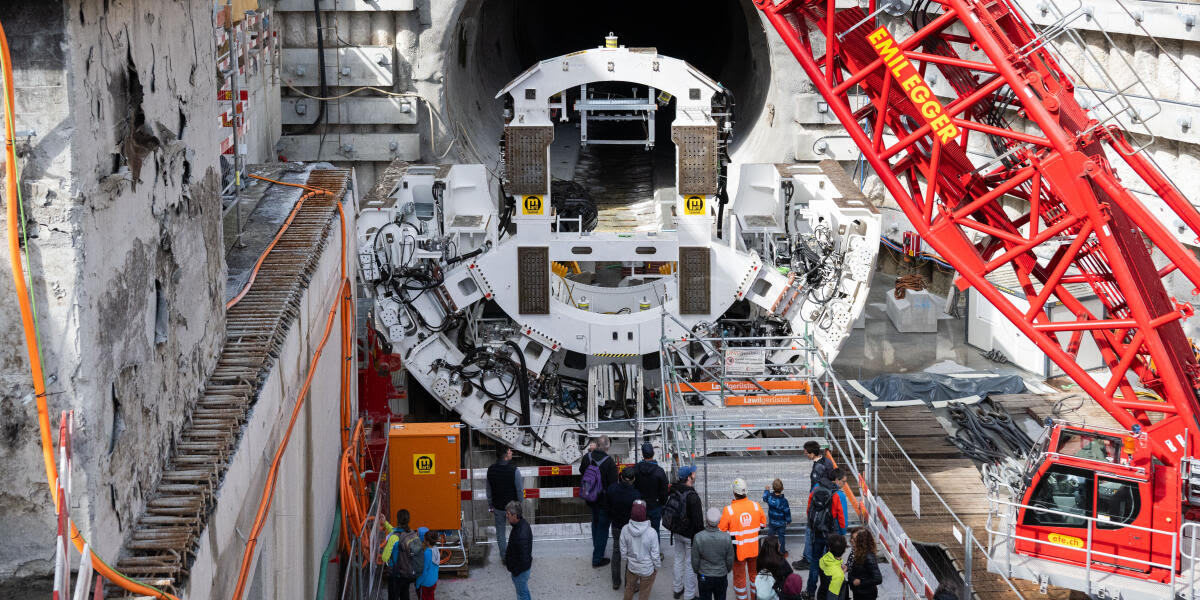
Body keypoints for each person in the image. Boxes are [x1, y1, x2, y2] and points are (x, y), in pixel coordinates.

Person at [719, 478, 767, 600]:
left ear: (734, 493)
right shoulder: (756, 506)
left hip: (738, 552)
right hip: (754, 550)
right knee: (754, 576)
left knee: (739, 579)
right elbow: (762, 524)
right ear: (746, 492)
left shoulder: (728, 510)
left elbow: (721, 530)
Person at [805, 470, 848, 597]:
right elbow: (841, 517)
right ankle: (825, 589)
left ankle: (810, 591)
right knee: (829, 563)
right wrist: (842, 534)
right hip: (831, 535)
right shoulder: (837, 495)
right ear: (836, 480)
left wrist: (814, 525)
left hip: (817, 532)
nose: (844, 484)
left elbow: (809, 509)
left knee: (814, 561)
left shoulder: (816, 488)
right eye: (843, 482)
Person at [793, 442, 833, 571]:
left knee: (810, 531)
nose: (805, 455)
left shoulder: (818, 469)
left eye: (806, 453)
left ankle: (808, 559)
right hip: (827, 504)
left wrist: (812, 507)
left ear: (812, 453)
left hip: (818, 505)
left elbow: (816, 491)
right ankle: (822, 557)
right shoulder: (827, 461)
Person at [668, 465, 705, 600]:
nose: (695, 474)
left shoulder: (674, 489)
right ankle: (689, 595)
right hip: (690, 536)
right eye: (693, 473)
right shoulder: (693, 496)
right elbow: (698, 522)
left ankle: (677, 589)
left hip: (677, 531)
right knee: (690, 565)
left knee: (678, 559)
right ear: (689, 477)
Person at [581, 436, 619, 567]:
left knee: (595, 523)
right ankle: (597, 558)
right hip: (603, 501)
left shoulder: (587, 457)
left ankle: (596, 547)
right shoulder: (610, 463)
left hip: (590, 497)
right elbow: (613, 486)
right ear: (607, 448)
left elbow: (582, 471)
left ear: (596, 445)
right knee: (603, 528)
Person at [606, 466, 644, 590]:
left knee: (616, 553)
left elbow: (607, 506)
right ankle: (630, 583)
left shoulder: (612, 489)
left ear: (621, 477)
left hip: (616, 525)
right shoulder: (636, 494)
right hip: (630, 527)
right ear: (633, 480)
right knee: (631, 555)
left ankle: (616, 582)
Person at [487, 445, 523, 562]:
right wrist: (519, 504)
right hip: (513, 508)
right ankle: (517, 554)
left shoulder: (491, 469)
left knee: (500, 533)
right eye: (510, 451)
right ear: (506, 454)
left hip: (498, 507)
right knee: (518, 530)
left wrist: (490, 504)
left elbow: (489, 490)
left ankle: (504, 557)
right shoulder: (514, 470)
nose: (511, 452)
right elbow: (519, 490)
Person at [620, 500, 662, 600]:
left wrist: (626, 559)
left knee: (629, 588)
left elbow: (623, 550)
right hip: (647, 569)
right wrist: (657, 567)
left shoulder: (625, 529)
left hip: (632, 568)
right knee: (644, 593)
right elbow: (655, 554)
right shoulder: (652, 532)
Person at [693, 507, 735, 600]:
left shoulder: (698, 537)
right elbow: (730, 559)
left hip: (704, 575)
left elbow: (695, 559)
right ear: (719, 521)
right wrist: (727, 570)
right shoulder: (726, 537)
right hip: (721, 575)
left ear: (706, 521)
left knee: (704, 597)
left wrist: (697, 571)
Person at [382, 509, 423, 600]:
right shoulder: (411, 533)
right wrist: (385, 523)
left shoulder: (394, 538)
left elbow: (384, 558)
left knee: (393, 596)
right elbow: (395, 531)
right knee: (405, 595)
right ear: (408, 520)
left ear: (397, 520)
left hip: (396, 574)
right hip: (407, 572)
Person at [633, 441, 670, 534]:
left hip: (640, 504)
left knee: (640, 531)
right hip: (655, 504)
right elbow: (664, 490)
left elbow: (632, 486)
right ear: (653, 454)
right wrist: (662, 502)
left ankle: (641, 548)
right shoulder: (659, 471)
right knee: (655, 531)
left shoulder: (636, 469)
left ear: (642, 454)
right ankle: (655, 548)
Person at [505, 500, 533, 600]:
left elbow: (523, 558)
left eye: (508, 514)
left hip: (520, 572)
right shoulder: (520, 525)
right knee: (524, 591)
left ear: (515, 515)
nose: (506, 516)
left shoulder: (521, 533)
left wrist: (515, 572)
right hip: (521, 570)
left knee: (522, 595)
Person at [845, 529, 883, 600]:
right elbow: (854, 566)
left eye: (855, 539)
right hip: (858, 592)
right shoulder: (854, 551)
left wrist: (860, 582)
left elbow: (878, 578)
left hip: (866, 594)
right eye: (851, 538)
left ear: (862, 542)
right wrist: (847, 566)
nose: (851, 540)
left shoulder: (868, 557)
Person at [763, 479, 793, 555]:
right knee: (781, 537)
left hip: (772, 522)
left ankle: (769, 552)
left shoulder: (769, 497)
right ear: (782, 488)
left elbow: (764, 498)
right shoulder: (784, 501)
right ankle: (782, 552)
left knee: (770, 536)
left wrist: (766, 490)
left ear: (773, 488)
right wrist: (788, 521)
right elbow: (787, 511)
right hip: (781, 523)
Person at [815, 533, 848, 600]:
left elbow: (829, 572)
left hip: (821, 593)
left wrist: (840, 569)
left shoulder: (824, 558)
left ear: (829, 548)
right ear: (844, 550)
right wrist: (840, 573)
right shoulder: (838, 575)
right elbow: (832, 597)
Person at [414, 528, 439, 600]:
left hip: (426, 583)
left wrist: (418, 582)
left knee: (423, 597)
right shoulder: (436, 549)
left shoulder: (427, 553)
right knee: (431, 596)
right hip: (433, 581)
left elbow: (424, 571)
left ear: (427, 541)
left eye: (424, 539)